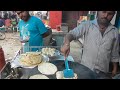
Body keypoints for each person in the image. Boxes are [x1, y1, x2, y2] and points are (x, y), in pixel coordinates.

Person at [61, 11, 119, 79]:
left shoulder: (114, 32)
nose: (106, 15)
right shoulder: (87, 25)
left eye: (110, 14)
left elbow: (114, 53)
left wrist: (115, 69)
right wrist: (67, 43)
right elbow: (72, 34)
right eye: (104, 12)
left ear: (113, 15)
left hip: (103, 73)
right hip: (85, 70)